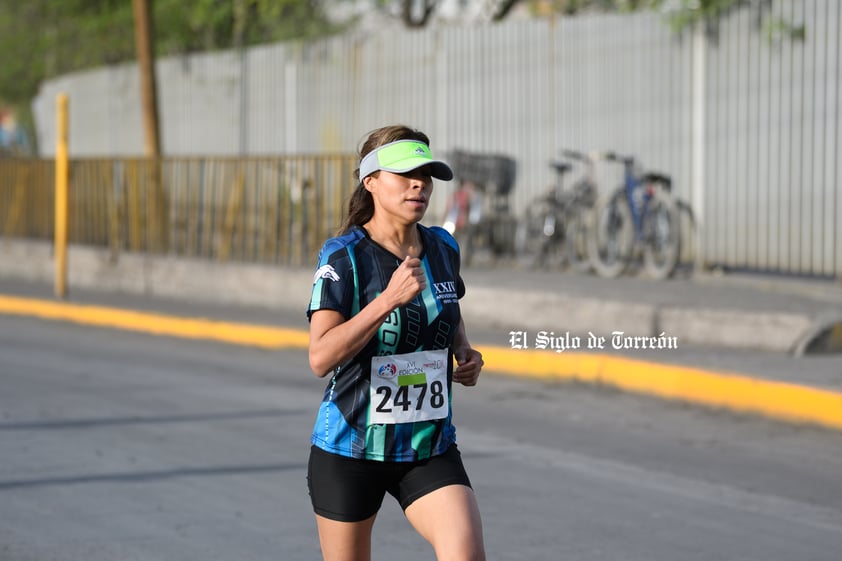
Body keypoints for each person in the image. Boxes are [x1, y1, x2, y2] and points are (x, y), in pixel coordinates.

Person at [306, 124, 486, 561]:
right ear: (371, 182)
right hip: (351, 448)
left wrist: (465, 352)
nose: (419, 183)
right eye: (405, 173)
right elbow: (320, 356)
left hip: (427, 444)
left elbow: (449, 306)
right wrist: (386, 300)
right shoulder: (344, 256)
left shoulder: (442, 246)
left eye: (425, 174)